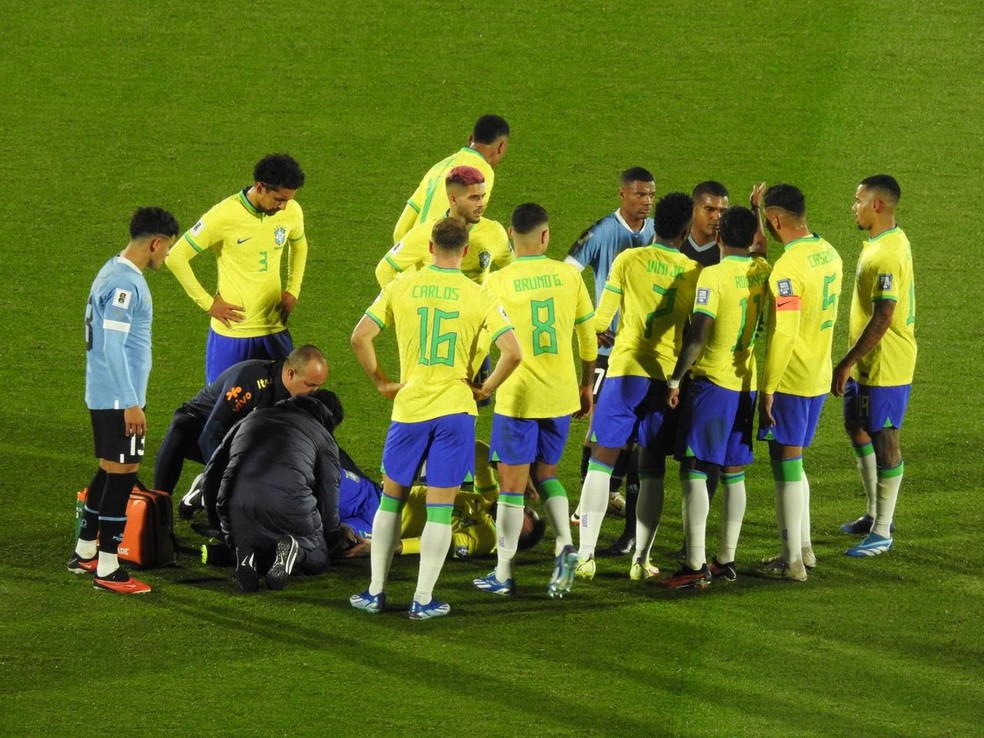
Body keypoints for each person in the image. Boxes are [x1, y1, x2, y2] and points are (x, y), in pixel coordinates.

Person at [349, 218, 522, 620]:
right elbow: (512, 351)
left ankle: (375, 592)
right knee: (441, 510)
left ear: (430, 247)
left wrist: (381, 382)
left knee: (390, 500)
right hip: (455, 410)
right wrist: (486, 388)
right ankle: (423, 599)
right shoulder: (478, 294)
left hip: (409, 407)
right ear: (464, 251)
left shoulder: (400, 286)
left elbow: (360, 336)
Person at [471, 203, 597, 598]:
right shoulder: (568, 276)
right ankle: (565, 543)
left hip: (518, 396)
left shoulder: (498, 281)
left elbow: (480, 337)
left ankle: (504, 571)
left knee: (511, 488)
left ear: (511, 234)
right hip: (560, 393)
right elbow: (588, 336)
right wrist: (586, 384)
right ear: (545, 236)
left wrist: (479, 381)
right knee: (546, 476)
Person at [574, 193, 700, 583]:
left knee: (601, 462)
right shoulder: (694, 272)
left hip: (625, 371)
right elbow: (698, 332)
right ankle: (640, 561)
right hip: (663, 380)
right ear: (685, 230)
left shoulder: (627, 260)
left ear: (656, 223)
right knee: (651, 470)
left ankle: (585, 557)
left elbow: (599, 322)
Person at [68, 206, 180, 594]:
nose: (166, 256)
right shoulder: (126, 285)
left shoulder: (111, 269)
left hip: (103, 392)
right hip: (119, 397)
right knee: (123, 474)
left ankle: (85, 551)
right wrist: (131, 402)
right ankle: (109, 568)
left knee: (108, 470)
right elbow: (113, 346)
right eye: (167, 249)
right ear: (155, 243)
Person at [662, 206, 770, 588]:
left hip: (713, 383)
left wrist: (675, 380)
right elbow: (761, 250)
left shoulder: (714, 274)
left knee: (693, 468)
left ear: (720, 237)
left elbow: (699, 333)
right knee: (732, 471)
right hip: (747, 383)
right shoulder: (762, 271)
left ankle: (693, 566)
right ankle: (725, 558)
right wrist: (756, 211)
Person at [565, 167, 657, 554]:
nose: (646, 201)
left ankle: (612, 493)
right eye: (639, 195)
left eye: (651, 195)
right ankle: (585, 506)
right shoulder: (603, 231)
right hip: (607, 350)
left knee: (635, 437)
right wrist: (586, 322)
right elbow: (568, 274)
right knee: (599, 431)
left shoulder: (657, 231)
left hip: (643, 352)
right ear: (622, 194)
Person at [755, 184, 843, 581]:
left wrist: (768, 386)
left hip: (790, 379)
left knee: (785, 465)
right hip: (818, 374)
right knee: (795, 462)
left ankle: (791, 562)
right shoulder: (828, 252)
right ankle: (803, 550)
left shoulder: (788, 270)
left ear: (776, 220)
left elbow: (785, 334)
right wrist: (759, 211)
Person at [166, 154, 308, 383]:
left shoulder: (291, 211)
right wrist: (208, 303)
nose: (283, 207)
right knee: (219, 407)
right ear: (260, 187)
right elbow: (176, 257)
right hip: (232, 333)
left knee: (280, 412)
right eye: (278, 199)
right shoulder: (223, 215)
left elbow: (299, 245)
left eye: (288, 200)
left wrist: (294, 290)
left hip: (274, 329)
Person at [832, 175, 915, 557]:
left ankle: (882, 530)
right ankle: (872, 512)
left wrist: (846, 362)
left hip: (885, 365)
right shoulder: (882, 242)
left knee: (885, 440)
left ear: (877, 205)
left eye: (858, 200)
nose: (854, 206)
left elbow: (884, 316)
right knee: (856, 425)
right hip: (867, 363)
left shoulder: (887, 255)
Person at [203, 390, 343, 592]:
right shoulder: (324, 438)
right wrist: (333, 538)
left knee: (251, 538)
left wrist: (219, 524)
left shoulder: (251, 417)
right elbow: (328, 496)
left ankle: (245, 551)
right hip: (289, 509)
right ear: (329, 419)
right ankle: (295, 552)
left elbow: (212, 472)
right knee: (319, 557)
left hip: (236, 508)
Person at [152, 345, 328, 502]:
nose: (314, 392)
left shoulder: (299, 396)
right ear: (291, 373)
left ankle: (207, 493)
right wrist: (224, 478)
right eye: (310, 385)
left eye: (318, 387)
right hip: (203, 428)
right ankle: (158, 506)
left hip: (238, 438)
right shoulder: (250, 382)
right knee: (180, 429)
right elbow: (210, 434)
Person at [376, 165, 512, 288]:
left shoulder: (494, 231)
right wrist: (400, 305)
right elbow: (385, 269)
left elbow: (515, 269)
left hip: (472, 314)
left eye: (483, 196)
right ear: (453, 199)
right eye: (474, 198)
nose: (481, 203)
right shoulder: (427, 233)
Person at [392, 115, 510, 244]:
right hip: (444, 255)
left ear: (470, 139)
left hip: (415, 253)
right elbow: (469, 222)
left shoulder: (438, 168)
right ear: (501, 147)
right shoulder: (482, 173)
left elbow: (400, 231)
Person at [681, 181, 730, 267]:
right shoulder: (674, 243)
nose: (717, 217)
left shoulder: (732, 250)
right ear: (692, 209)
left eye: (722, 211)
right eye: (709, 209)